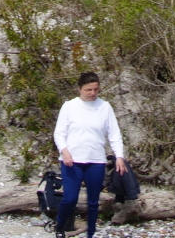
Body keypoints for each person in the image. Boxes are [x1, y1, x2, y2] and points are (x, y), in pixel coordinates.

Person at [50, 72, 127, 237]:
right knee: (70, 199)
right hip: (72, 160)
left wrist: (119, 156)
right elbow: (59, 133)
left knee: (93, 202)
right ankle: (59, 227)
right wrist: (64, 151)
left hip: (96, 161)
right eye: (88, 90)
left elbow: (114, 134)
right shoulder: (69, 106)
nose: (92, 93)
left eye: (95, 90)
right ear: (80, 89)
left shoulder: (105, 107)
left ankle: (90, 233)